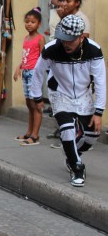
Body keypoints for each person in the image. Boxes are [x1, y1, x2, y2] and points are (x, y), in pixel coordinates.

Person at [30, 15, 105, 187]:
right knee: (67, 129)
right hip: (60, 92)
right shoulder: (51, 49)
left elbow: (101, 82)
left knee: (92, 135)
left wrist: (99, 111)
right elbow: (38, 72)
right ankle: (76, 167)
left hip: (83, 95)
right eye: (63, 39)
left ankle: (73, 152)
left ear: (81, 37)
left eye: (70, 40)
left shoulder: (94, 50)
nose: (66, 43)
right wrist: (37, 97)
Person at [13, 8, 45, 146]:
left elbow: (43, 58)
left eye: (32, 22)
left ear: (39, 24)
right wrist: (18, 68)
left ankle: (35, 135)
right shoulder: (26, 38)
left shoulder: (40, 39)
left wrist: (39, 74)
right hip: (26, 72)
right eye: (27, 22)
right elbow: (26, 57)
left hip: (34, 74)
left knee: (36, 105)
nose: (29, 24)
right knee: (29, 104)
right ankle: (29, 132)